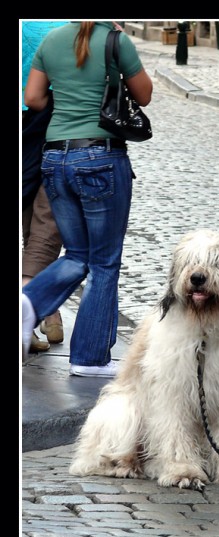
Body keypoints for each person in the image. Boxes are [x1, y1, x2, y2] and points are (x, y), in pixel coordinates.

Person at [21, 21, 153, 377]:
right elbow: (144, 95)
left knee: (78, 254)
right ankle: (90, 359)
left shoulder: (51, 39)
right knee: (104, 262)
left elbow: (32, 98)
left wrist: (64, 97)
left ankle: (28, 301)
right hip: (100, 157)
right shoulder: (115, 41)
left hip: (54, 157)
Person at [21, 20, 68, 353]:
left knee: (30, 209)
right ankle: (43, 309)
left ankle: (45, 310)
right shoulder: (68, 26)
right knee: (47, 215)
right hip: (51, 116)